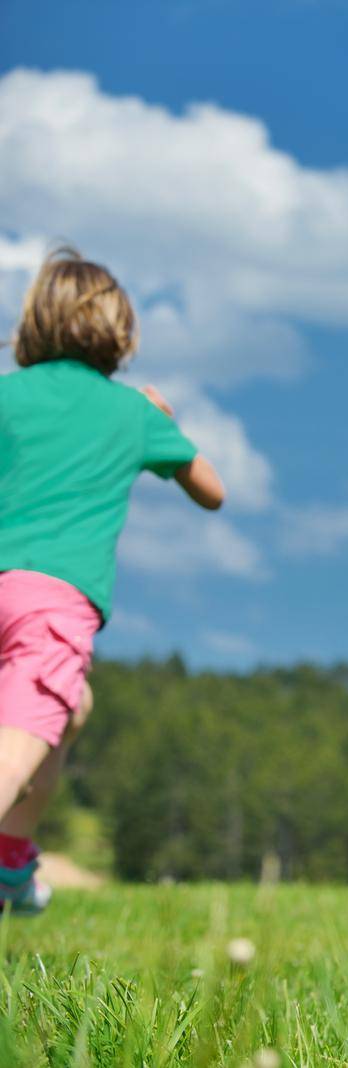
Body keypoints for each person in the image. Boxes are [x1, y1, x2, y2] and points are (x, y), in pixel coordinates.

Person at [0, 248, 225, 914]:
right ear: (119, 333)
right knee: (20, 742)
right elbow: (213, 491)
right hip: (52, 603)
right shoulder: (132, 413)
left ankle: (12, 856)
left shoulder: (8, 393)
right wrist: (162, 422)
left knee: (73, 709)